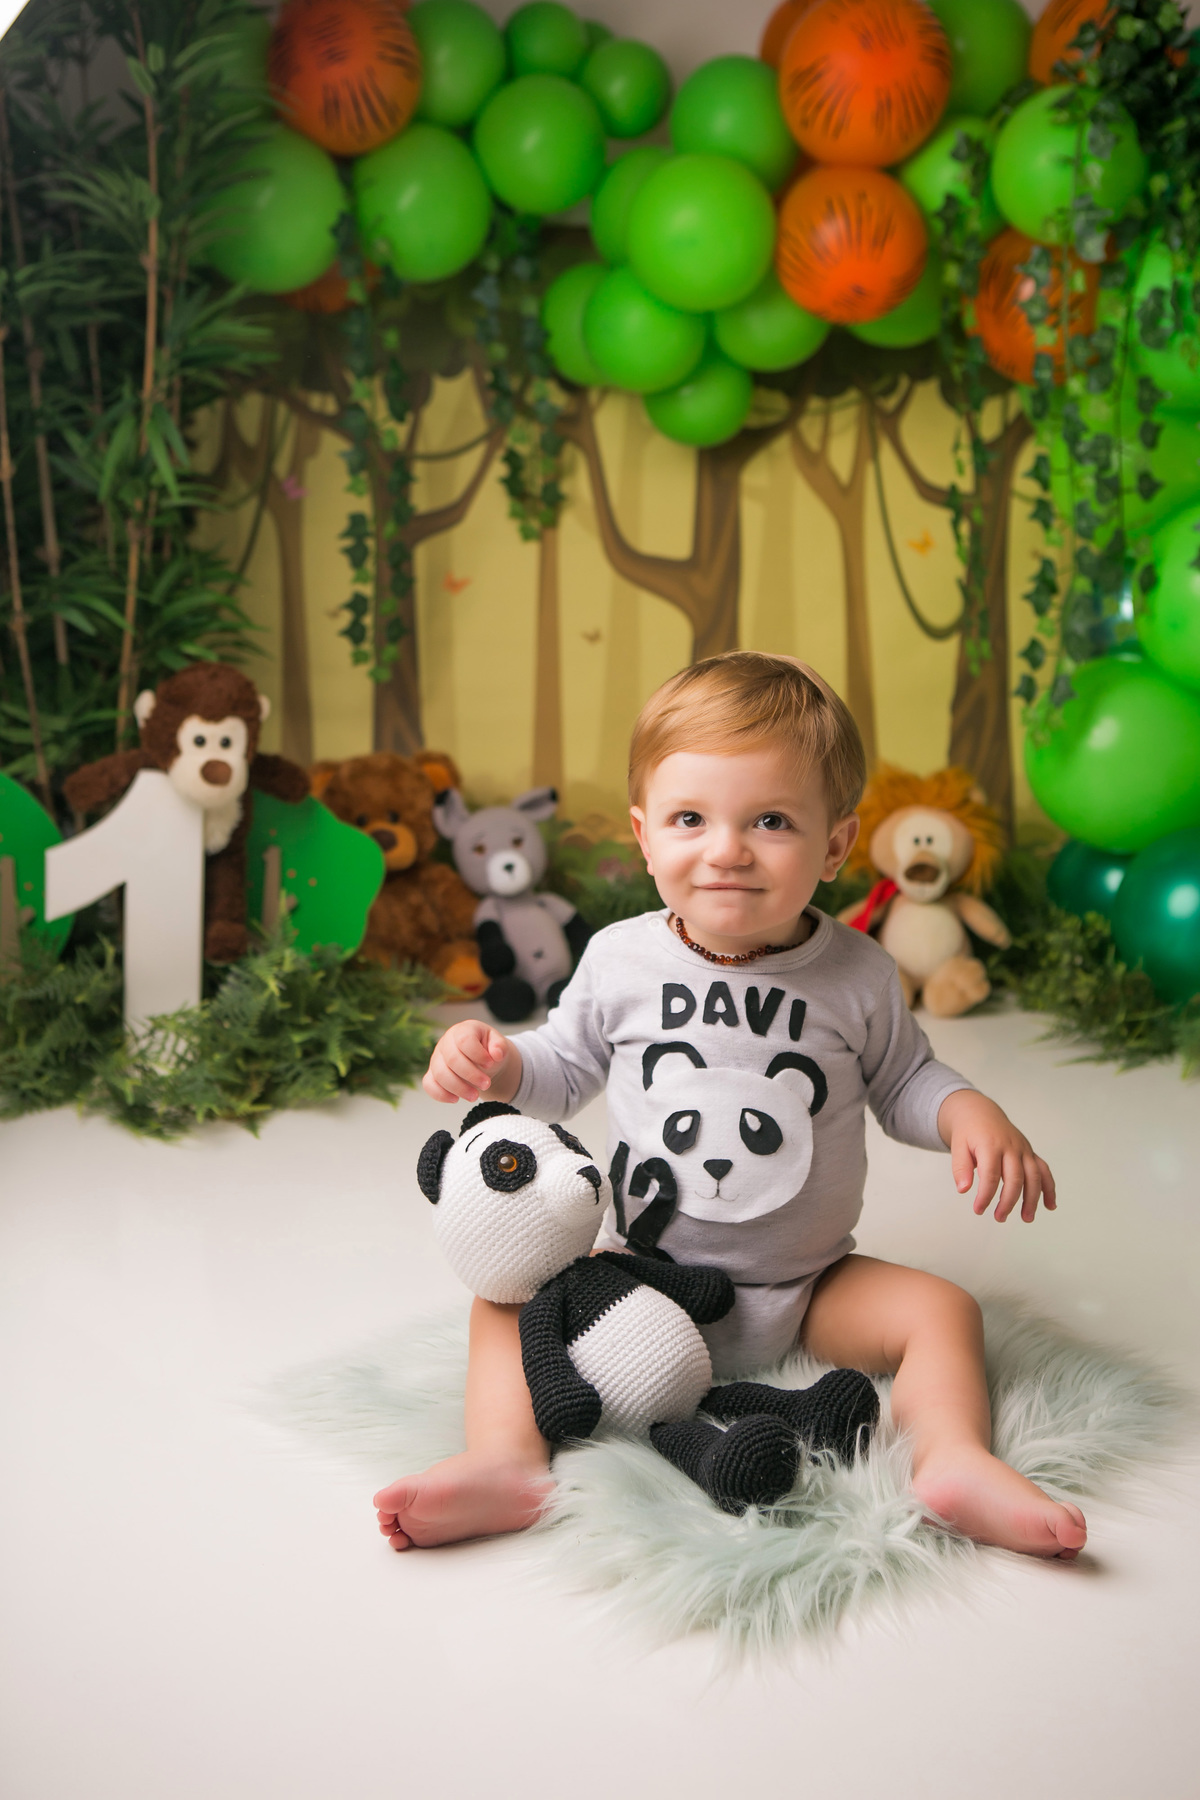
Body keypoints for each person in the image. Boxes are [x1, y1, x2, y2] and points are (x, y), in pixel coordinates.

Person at [375, 652, 1086, 1561]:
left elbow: (904, 1079)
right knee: (504, 1298)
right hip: (636, 1281)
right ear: (643, 834)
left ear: (835, 843)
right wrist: (499, 1061)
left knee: (944, 1311)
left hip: (809, 1287)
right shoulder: (621, 960)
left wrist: (965, 1111)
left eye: (772, 821)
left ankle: (949, 1458)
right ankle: (506, 1459)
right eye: (689, 818)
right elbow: (564, 1069)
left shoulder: (858, 973)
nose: (726, 849)